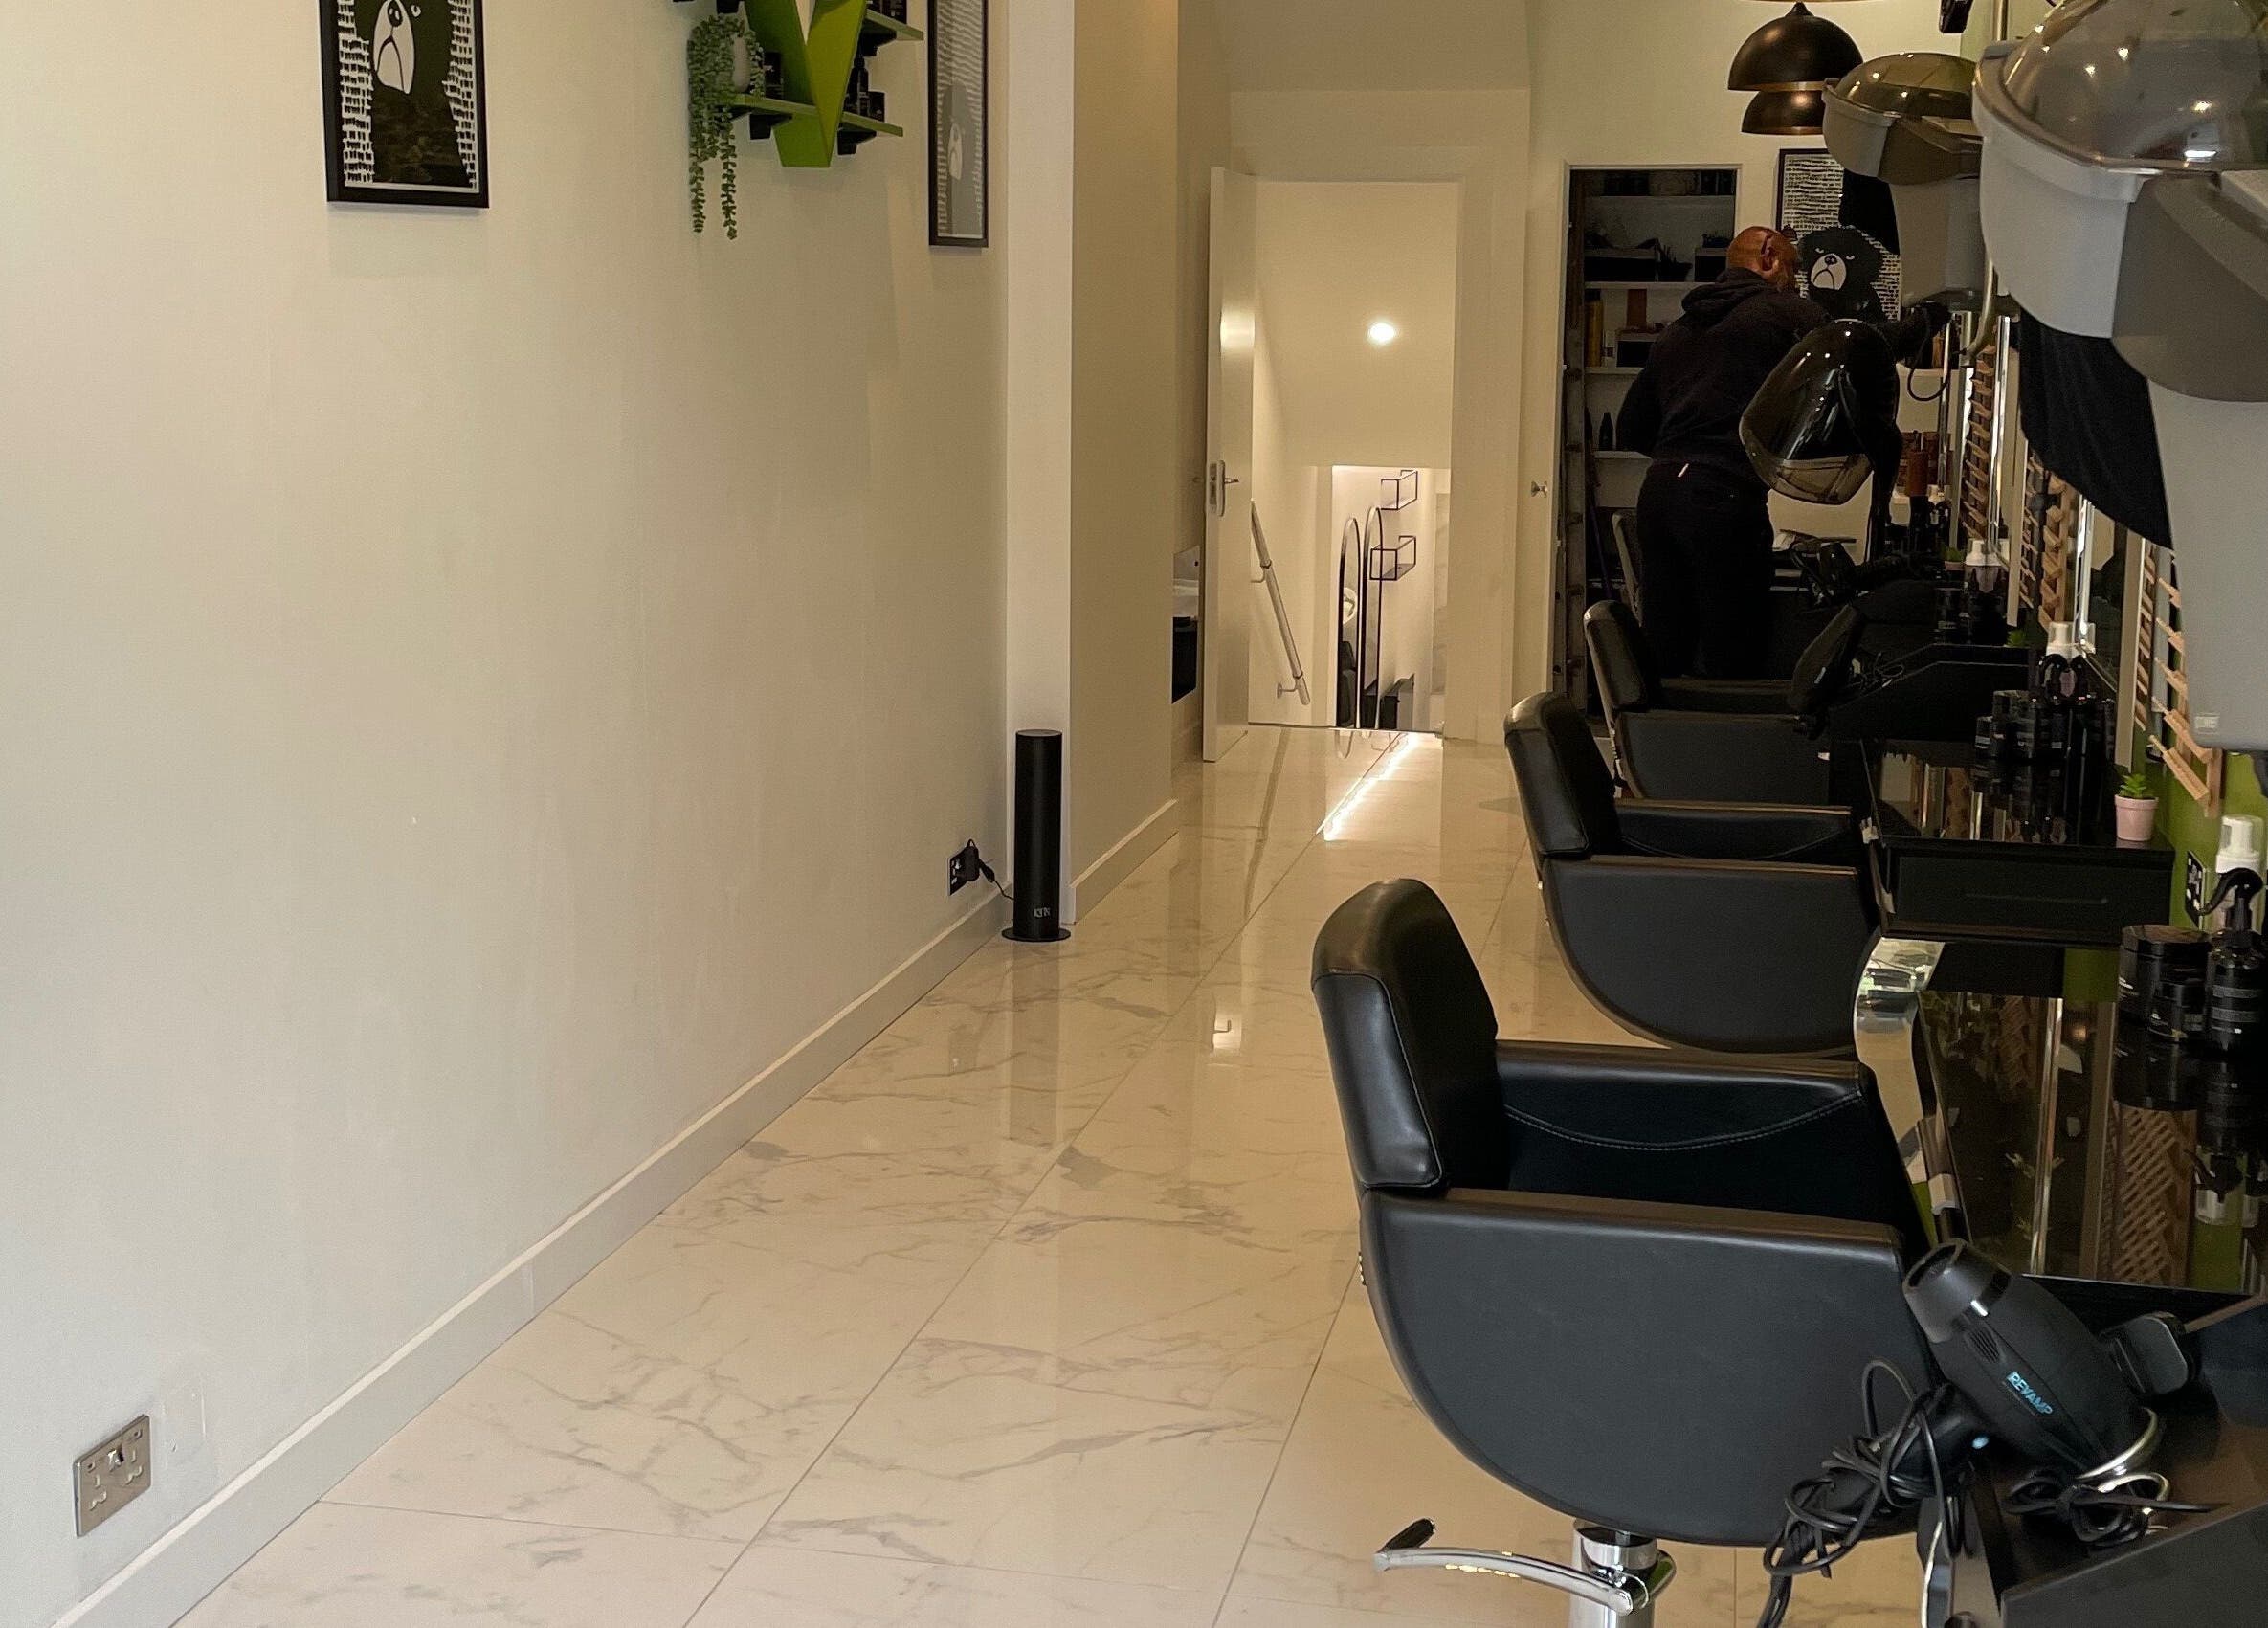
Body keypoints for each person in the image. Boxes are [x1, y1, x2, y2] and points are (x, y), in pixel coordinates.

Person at [1615, 226, 1936, 679]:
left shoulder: (1677, 333)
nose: (1797, 282)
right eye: (1792, 268)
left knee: (1666, 649)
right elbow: (1862, 347)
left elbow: (1632, 428)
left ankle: (1660, 745)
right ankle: (1733, 744)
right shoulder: (1782, 312)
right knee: (1734, 647)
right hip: (1721, 499)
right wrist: (1923, 323)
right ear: (1768, 256)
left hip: (1658, 497)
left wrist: (1689, 453)